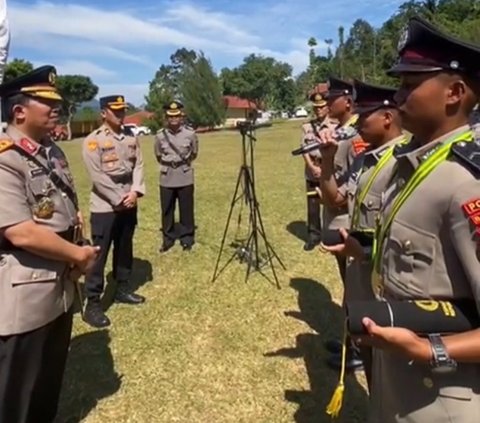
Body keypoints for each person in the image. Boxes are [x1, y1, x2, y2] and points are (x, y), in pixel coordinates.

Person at [345, 17, 480, 422]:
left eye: (409, 85)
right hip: (395, 384)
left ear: (454, 93)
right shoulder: (413, 166)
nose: (397, 97)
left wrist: (430, 350)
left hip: (439, 395)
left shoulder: (466, 183)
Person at [0, 65, 100, 423]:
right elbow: (20, 232)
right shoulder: (5, 157)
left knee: (47, 384)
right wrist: (79, 254)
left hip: (60, 283)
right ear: (19, 111)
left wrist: (76, 240)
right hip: (25, 290)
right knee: (17, 395)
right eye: (46, 102)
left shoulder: (51, 150)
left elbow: (63, 205)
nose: (55, 107)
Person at [319, 80, 405, 382]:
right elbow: (336, 200)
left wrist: (364, 246)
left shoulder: (402, 162)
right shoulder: (365, 158)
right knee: (370, 362)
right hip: (361, 276)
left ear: (387, 118)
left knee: (388, 370)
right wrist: (327, 158)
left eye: (364, 114)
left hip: (385, 283)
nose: (357, 121)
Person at [82, 95, 146, 329]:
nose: (121, 114)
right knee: (99, 255)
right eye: (115, 111)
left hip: (128, 201)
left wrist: (135, 192)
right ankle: (93, 303)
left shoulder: (130, 137)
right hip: (105, 206)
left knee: (125, 247)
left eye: (122, 110)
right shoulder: (93, 140)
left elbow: (139, 164)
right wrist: (118, 198)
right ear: (103, 113)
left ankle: (122, 288)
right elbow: (96, 175)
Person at [154, 100, 199, 252]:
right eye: (170, 116)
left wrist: (182, 163)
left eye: (177, 116)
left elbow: (194, 153)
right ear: (166, 118)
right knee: (167, 210)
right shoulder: (160, 136)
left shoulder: (190, 134)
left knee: (186, 209)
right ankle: (168, 239)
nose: (174, 119)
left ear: (181, 117)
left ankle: (187, 238)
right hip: (167, 177)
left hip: (184, 175)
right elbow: (158, 155)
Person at [300, 91, 336, 251]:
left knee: (331, 203)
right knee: (313, 205)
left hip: (328, 169)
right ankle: (314, 235)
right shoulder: (307, 127)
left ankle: (332, 235)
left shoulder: (335, 126)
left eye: (321, 107)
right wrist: (312, 166)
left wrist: (324, 167)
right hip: (312, 169)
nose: (318, 110)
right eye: (316, 108)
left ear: (328, 107)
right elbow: (304, 149)